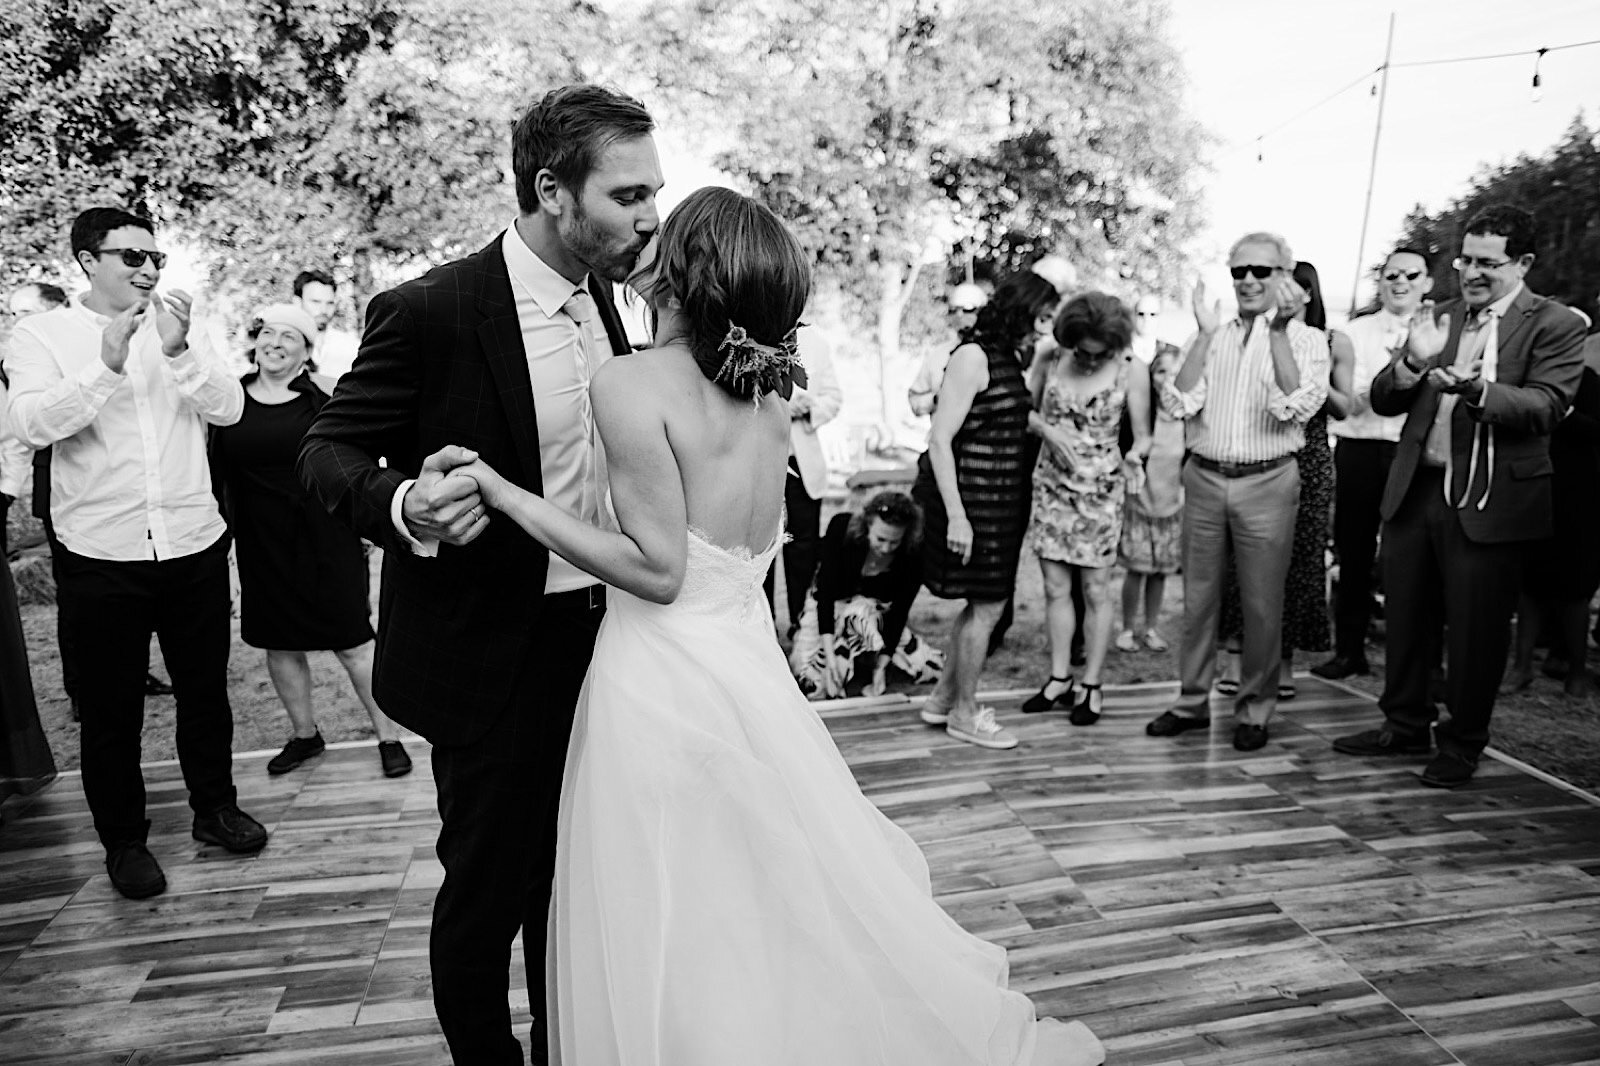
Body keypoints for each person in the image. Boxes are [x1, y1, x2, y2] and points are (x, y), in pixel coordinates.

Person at [443, 184, 1105, 1066]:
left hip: (662, 673)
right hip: (745, 665)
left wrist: (505, 491)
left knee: (671, 896)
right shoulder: (765, 400)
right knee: (757, 888)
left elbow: (658, 569)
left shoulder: (633, 381)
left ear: (683, 272)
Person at [298, 84, 660, 1065]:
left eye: (652, 192)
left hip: (610, 648)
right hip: (490, 658)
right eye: (628, 194)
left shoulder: (614, 306)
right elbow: (327, 450)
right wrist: (405, 502)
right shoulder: (433, 309)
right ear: (553, 189)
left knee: (577, 883)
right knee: (488, 893)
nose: (649, 214)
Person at [7, 206, 268, 898]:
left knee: (206, 693)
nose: (149, 269)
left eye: (156, 258)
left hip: (191, 540)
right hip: (99, 550)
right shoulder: (42, 334)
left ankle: (215, 809)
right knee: (111, 707)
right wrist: (107, 367)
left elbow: (230, 411)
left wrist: (179, 352)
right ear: (88, 260)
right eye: (132, 257)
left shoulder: (180, 325)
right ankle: (124, 842)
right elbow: (32, 423)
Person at [1331, 205, 1585, 788]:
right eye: (1465, 258)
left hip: (1491, 496)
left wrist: (1480, 390)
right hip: (1417, 487)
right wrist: (1414, 362)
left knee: (1475, 627)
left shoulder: (1553, 323)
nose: (1470, 271)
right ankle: (1402, 722)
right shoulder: (1436, 316)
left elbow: (1547, 405)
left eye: (1486, 262)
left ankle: (1463, 742)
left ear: (1521, 263)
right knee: (1405, 612)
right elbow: (1385, 399)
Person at [1144, 232, 1328, 753]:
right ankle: (1190, 703)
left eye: (1260, 271)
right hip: (1203, 476)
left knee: (1262, 603)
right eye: (1238, 271)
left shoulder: (1310, 340)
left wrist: (1277, 336)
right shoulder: (1213, 335)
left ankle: (1254, 708)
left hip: (1268, 480)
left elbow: (1293, 407)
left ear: (1284, 277)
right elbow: (1178, 403)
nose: (1248, 280)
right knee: (1199, 600)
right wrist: (1201, 335)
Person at [209, 303, 411, 778]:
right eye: (268, 333)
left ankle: (388, 735)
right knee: (279, 644)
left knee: (354, 641)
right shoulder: (228, 400)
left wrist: (367, 519)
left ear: (306, 351)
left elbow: (358, 456)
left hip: (327, 537)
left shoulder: (323, 394)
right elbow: (216, 472)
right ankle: (305, 735)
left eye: (289, 337)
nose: (275, 343)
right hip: (261, 542)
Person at [912, 272, 1060, 750]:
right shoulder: (972, 356)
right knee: (990, 605)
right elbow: (939, 439)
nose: (1045, 327)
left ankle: (942, 699)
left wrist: (1052, 433)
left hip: (1003, 504)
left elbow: (1008, 412)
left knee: (983, 603)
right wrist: (956, 516)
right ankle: (965, 712)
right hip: (973, 504)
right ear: (1021, 310)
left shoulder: (1008, 357)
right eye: (1042, 316)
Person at [1215, 260, 1346, 700]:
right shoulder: (1254, 335)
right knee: (1240, 558)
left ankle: (1283, 661)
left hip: (1308, 456)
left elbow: (1346, 406)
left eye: (1297, 285)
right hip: (1261, 449)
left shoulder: (1330, 340)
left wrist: (1315, 379)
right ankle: (1235, 658)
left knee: (1297, 562)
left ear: (1309, 293)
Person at [1021, 292, 1148, 724]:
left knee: (1096, 590)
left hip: (1101, 493)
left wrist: (1135, 457)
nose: (1091, 363)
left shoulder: (1133, 369)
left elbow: (1144, 434)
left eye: (1101, 355)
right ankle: (1059, 677)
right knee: (1056, 589)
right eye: (1083, 353)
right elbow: (1026, 411)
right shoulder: (1049, 356)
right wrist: (1048, 431)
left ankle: (1090, 684)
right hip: (1052, 485)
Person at [1313, 248, 1431, 680]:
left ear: (1427, 282)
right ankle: (1348, 651)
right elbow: (1353, 401)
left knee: (1415, 556)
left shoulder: (1441, 329)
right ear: (1381, 282)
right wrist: (1399, 369)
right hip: (1361, 448)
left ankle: (1419, 661)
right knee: (1355, 550)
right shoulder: (1356, 332)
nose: (1400, 282)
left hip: (1412, 451)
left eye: (1411, 275)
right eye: (1392, 274)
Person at [1503, 331, 1600, 698]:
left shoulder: (1587, 380)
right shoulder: (1530, 378)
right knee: (1530, 587)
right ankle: (1521, 667)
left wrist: (1566, 413)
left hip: (1578, 496)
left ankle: (1577, 670)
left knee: (1574, 590)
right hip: (1530, 487)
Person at [788, 489, 941, 699]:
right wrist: (830, 659)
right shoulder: (841, 528)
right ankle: (839, 657)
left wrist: (881, 668)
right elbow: (825, 595)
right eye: (880, 539)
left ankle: (868, 659)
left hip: (871, 614)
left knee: (925, 666)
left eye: (894, 542)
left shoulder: (914, 552)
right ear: (867, 525)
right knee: (810, 681)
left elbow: (899, 612)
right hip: (830, 604)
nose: (886, 548)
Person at [766, 327, 841, 636]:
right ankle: (763, 627)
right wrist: (782, 405)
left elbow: (834, 398)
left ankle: (802, 625)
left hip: (802, 463)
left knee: (803, 549)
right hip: (762, 460)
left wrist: (808, 408)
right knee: (761, 550)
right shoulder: (751, 333)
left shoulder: (816, 343)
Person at [1115, 342, 1184, 653]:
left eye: (1174, 371)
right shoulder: (1141, 414)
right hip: (1140, 502)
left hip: (1172, 506)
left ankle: (1151, 627)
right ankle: (1128, 627)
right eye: (1160, 372)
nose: (1166, 378)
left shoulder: (1187, 418)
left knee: (1160, 573)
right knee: (1138, 569)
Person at [908, 281, 987, 417]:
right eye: (953, 310)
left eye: (968, 308)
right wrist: (938, 399)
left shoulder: (998, 352)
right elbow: (915, 400)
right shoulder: (938, 355)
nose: (959, 315)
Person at [292, 269, 360, 378]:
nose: (323, 310)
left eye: (329, 303)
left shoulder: (351, 347)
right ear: (297, 302)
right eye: (315, 302)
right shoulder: (279, 345)